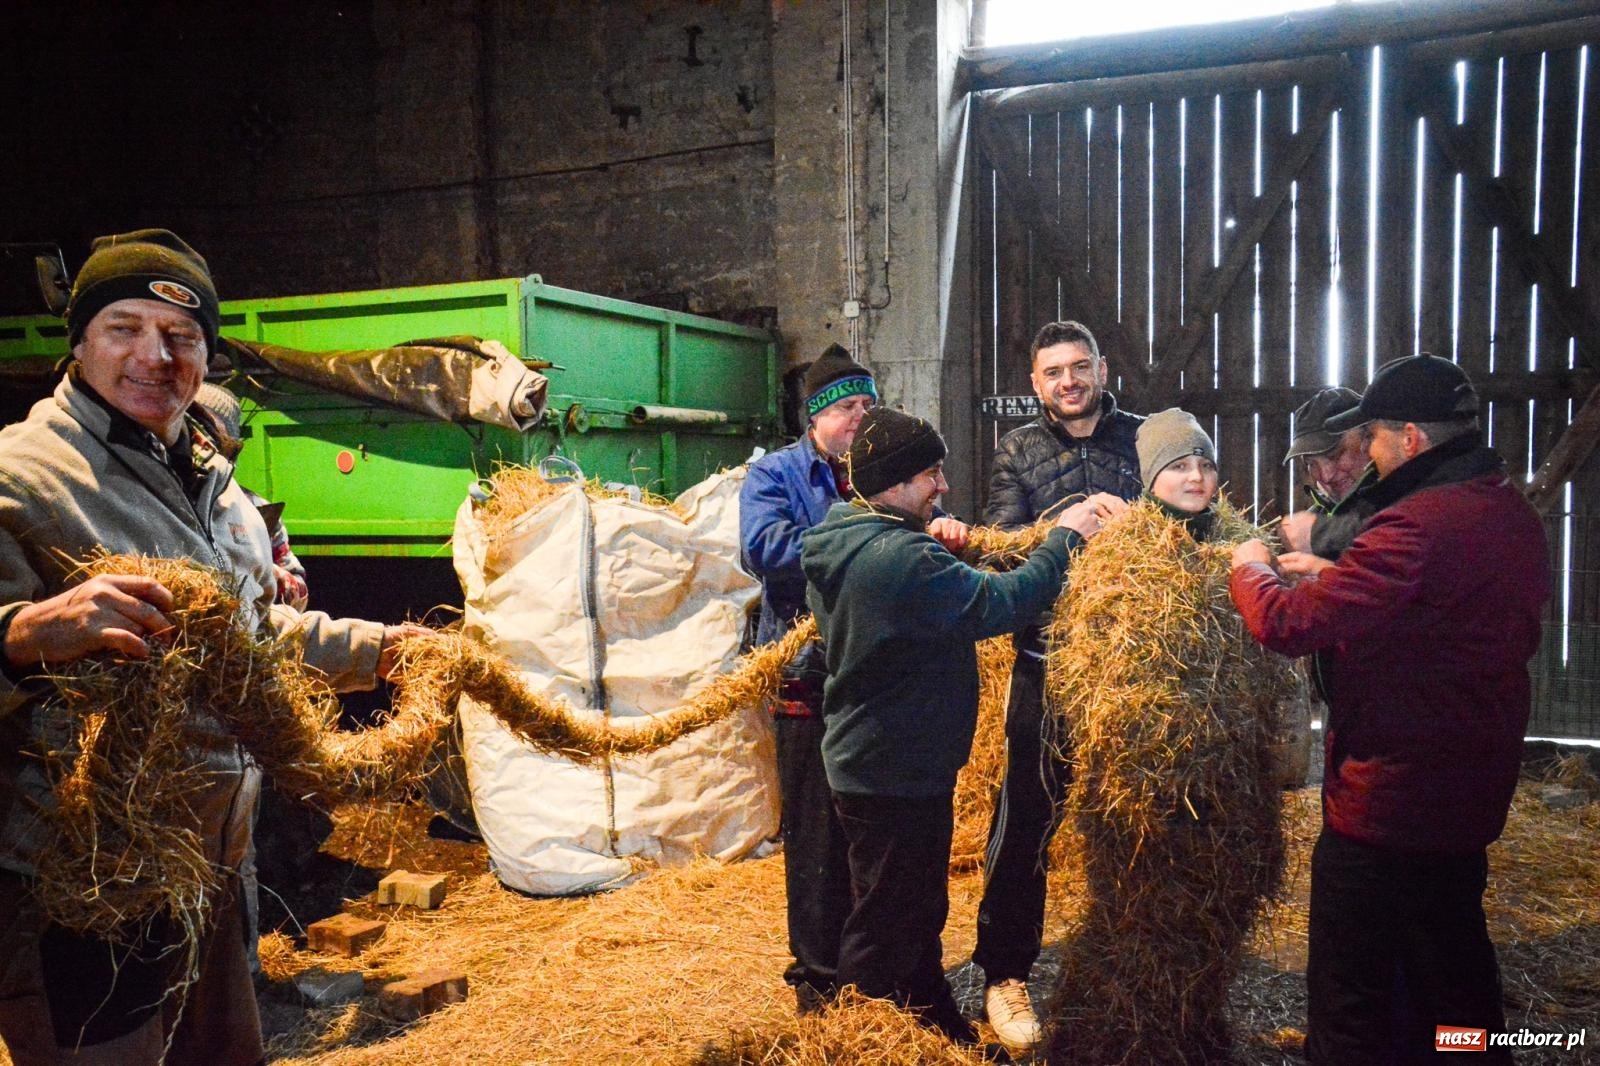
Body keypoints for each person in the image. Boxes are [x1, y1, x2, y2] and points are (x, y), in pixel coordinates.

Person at [0, 229, 426, 1065]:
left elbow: (249, 642)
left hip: (214, 863)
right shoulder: (20, 477)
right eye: (125, 327)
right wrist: (24, 635)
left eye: (182, 337)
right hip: (84, 882)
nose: (155, 356)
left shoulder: (220, 487)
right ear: (79, 341)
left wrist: (381, 648)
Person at [1228, 354, 1549, 1065]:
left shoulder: (1417, 528)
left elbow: (1285, 625)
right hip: (1467, 795)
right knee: (1454, 977)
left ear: (1410, 438)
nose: (1364, 455)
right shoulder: (1507, 510)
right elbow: (1437, 615)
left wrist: (1248, 564)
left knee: (1352, 999)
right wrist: (1342, 573)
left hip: (1392, 802)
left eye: (1369, 437)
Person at [800, 406, 1116, 1052]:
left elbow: (914, 587)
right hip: (895, 769)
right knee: (884, 920)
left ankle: (930, 1012)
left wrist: (929, 545)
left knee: (914, 906)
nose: (942, 487)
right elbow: (1005, 602)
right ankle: (857, 1041)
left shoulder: (849, 531)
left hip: (880, 760)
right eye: (930, 475)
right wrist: (1065, 537)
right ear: (893, 483)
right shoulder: (901, 560)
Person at [740, 345, 966, 1015]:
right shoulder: (776, 475)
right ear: (815, 420)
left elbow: (918, 546)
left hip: (881, 684)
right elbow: (761, 549)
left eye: (869, 405)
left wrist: (935, 532)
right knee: (816, 843)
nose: (861, 419)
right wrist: (859, 554)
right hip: (808, 678)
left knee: (888, 848)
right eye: (846, 408)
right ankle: (818, 984)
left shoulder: (886, 474)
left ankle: (900, 982)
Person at [973, 320, 1143, 1052]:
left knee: (1138, 817)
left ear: (1102, 369)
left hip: (1135, 665)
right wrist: (1064, 525)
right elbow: (1001, 540)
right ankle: (1005, 974)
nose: (1068, 382)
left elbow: (1190, 517)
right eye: (1053, 373)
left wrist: (1135, 526)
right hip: (1048, 657)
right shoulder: (1017, 450)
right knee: (1027, 817)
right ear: (1036, 384)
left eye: (1080, 368)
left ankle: (1135, 968)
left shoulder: (1145, 437)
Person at [194, 382, 310, 610]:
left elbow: (300, 593)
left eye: (211, 435)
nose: (200, 443)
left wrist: (272, 578)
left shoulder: (256, 509)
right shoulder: (162, 497)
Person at [1278, 385, 1378, 562]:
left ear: (1369, 439)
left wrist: (1322, 535)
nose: (1325, 476)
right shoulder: (1314, 518)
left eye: (1335, 455)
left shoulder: (1405, 495)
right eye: (1311, 463)